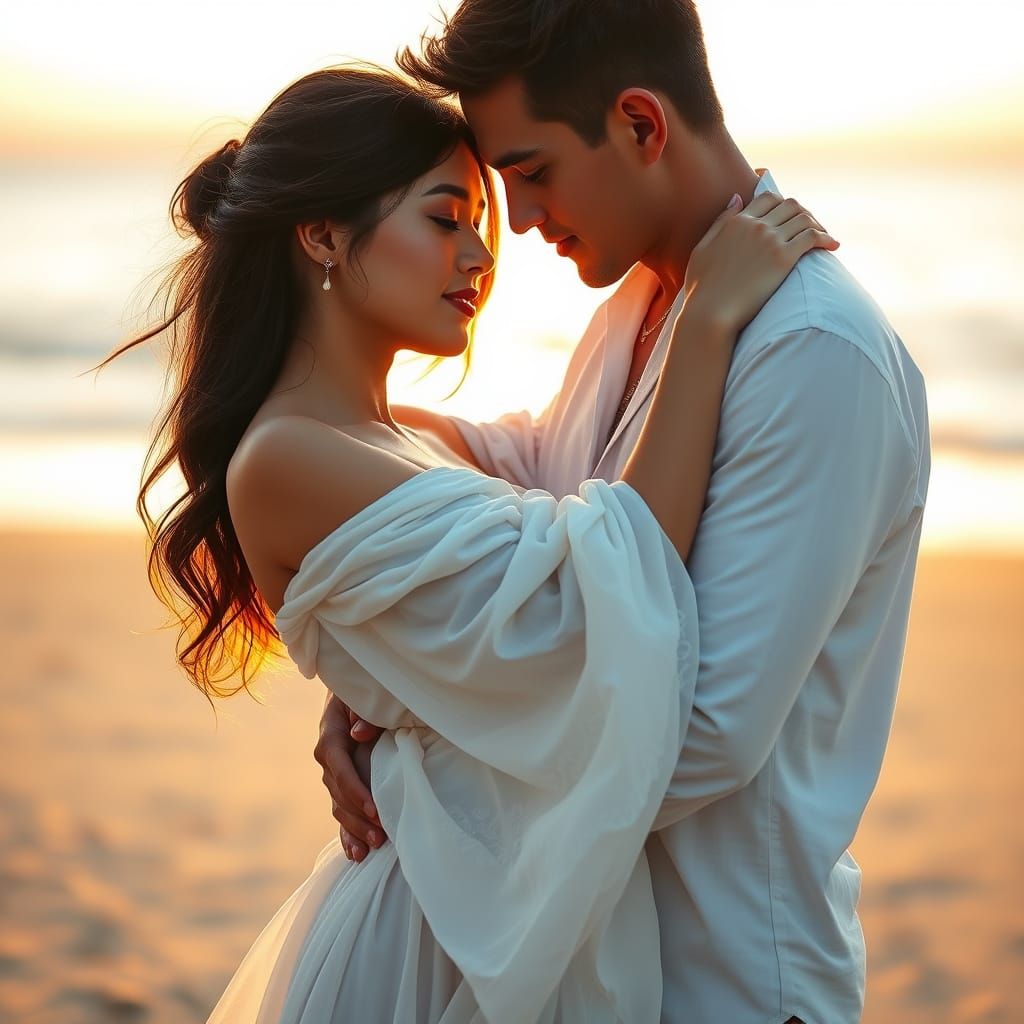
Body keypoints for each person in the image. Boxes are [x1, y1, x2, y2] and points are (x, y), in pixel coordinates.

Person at [104, 62, 839, 1021]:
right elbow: (602, 604)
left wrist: (400, 710)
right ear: (323, 233)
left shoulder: (410, 435)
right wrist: (704, 319)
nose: (482, 255)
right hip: (429, 945)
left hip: (479, 915)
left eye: (481, 225)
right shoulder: (284, 456)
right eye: (445, 218)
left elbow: (543, 515)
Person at [318, 2, 932, 1022]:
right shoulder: (637, 311)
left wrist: (409, 730)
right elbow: (533, 475)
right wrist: (319, 448)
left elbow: (699, 733)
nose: (515, 222)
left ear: (641, 125)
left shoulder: (815, 352)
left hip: (723, 979)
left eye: (532, 172)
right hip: (597, 970)